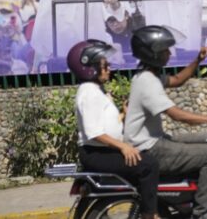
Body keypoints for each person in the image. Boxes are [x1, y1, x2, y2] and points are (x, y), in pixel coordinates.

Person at [124, 26, 207, 219]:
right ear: (152, 53)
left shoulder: (148, 75)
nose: (170, 53)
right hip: (150, 148)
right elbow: (176, 115)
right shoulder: (148, 82)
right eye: (165, 50)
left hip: (154, 141)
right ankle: (202, 213)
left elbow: (177, 79)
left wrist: (198, 59)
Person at [68, 40, 159, 219]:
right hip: (96, 153)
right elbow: (94, 132)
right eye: (104, 66)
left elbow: (106, 125)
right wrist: (123, 147)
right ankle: (151, 215)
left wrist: (123, 115)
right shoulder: (89, 92)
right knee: (148, 165)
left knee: (147, 160)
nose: (109, 68)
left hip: (101, 150)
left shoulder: (95, 90)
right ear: (90, 67)